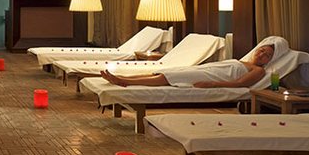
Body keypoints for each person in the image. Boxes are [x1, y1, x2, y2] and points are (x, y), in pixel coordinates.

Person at [100, 44, 275, 88]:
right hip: (205, 70)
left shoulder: (258, 70)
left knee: (167, 78)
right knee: (164, 72)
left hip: (211, 77)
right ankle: (122, 78)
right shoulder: (243, 61)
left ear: (269, 61)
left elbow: (239, 84)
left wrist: (213, 84)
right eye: (261, 50)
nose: (262, 55)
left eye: (267, 55)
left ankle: (125, 81)